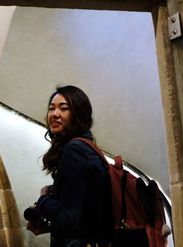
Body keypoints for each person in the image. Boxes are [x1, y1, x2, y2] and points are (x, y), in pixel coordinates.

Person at [24, 85, 113, 247]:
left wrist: (43, 199)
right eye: (51, 108)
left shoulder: (75, 150)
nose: (54, 114)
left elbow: (68, 220)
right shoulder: (88, 148)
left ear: (78, 114)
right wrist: (50, 226)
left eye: (63, 108)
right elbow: (83, 220)